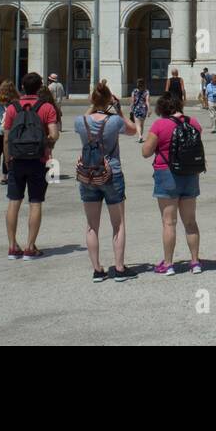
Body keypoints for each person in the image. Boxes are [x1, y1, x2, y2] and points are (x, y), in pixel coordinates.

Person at [76, 83, 138, 282]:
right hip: (112, 173)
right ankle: (119, 268)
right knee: (118, 224)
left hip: (87, 174)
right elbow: (133, 129)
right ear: (109, 100)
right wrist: (118, 110)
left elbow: (87, 115)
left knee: (91, 226)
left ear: (92, 100)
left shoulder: (81, 121)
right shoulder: (113, 122)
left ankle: (97, 270)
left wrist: (94, 106)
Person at [141, 92, 204, 275]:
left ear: (162, 107)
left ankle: (168, 264)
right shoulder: (193, 123)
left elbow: (146, 152)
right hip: (190, 174)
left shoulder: (160, 124)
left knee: (169, 222)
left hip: (166, 174)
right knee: (190, 221)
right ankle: (195, 262)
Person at [3, 72, 61, 261]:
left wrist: (7, 159)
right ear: (40, 87)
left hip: (16, 160)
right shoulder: (46, 107)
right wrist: (46, 144)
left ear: (23, 86)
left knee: (14, 202)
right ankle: (29, 247)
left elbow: (6, 137)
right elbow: (54, 135)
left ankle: (12, 246)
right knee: (35, 202)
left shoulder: (12, 108)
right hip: (39, 160)